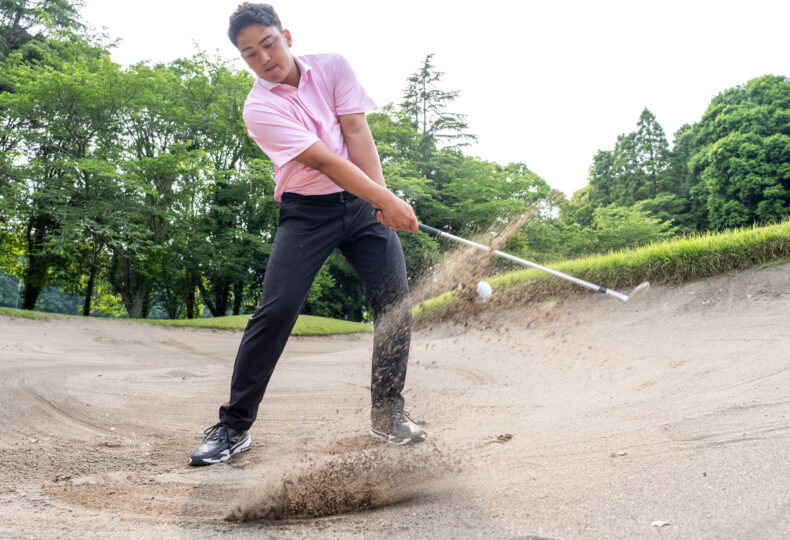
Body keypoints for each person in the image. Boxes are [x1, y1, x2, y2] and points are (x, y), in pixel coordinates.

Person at [189, 2, 425, 466]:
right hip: (307, 213)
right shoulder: (259, 108)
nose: (263, 59)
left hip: (359, 205)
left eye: (269, 44)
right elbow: (323, 160)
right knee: (276, 311)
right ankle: (234, 426)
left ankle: (387, 412)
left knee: (394, 303)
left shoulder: (333, 67)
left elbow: (356, 131)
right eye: (249, 54)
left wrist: (377, 197)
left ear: (288, 36)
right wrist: (384, 198)